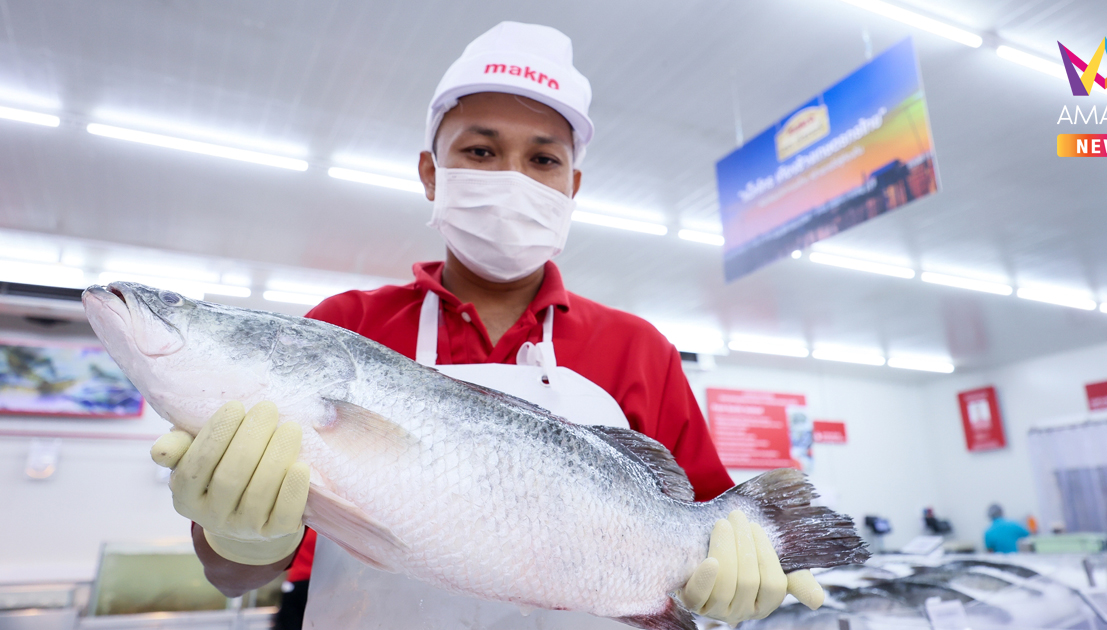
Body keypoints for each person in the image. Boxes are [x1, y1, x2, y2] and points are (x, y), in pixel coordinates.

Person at [149, 21, 825, 629]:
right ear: (430, 172)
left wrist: (736, 578)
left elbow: (710, 528)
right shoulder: (344, 327)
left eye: (543, 159)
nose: (512, 178)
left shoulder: (639, 349)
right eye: (479, 151)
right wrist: (239, 539)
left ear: (572, 187)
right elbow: (240, 575)